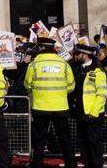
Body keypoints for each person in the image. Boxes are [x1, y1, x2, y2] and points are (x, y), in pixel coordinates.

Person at [24, 36, 75, 168]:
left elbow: (27, 84)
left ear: (41, 47)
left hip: (40, 107)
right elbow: (71, 86)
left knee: (40, 140)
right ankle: (71, 164)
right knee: (65, 139)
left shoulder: (34, 64)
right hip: (60, 107)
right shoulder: (64, 64)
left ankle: (37, 165)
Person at [74, 44, 107, 168]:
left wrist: (93, 112)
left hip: (92, 115)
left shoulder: (98, 71)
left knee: (94, 144)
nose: (76, 56)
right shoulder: (77, 69)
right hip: (81, 114)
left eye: (78, 54)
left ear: (85, 55)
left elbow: (102, 94)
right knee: (83, 143)